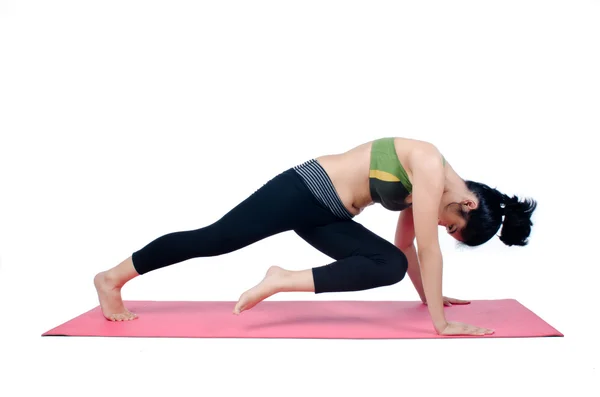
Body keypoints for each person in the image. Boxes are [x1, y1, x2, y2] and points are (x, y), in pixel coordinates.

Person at [94, 137, 537, 336]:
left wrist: (429, 302)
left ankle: (282, 278)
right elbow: (428, 247)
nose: (444, 228)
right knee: (214, 239)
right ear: (468, 204)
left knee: (390, 266)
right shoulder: (428, 164)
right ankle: (112, 278)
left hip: (329, 216)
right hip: (304, 191)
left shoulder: (431, 188)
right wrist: (442, 324)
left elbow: (405, 249)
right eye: (453, 226)